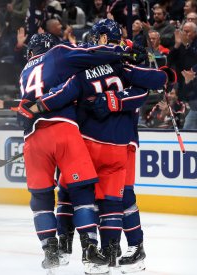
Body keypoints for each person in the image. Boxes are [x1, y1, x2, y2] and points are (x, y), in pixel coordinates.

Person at [25, 19, 174, 273]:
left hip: (96, 141)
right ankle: (110, 251)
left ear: (102, 39)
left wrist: (37, 109)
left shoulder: (87, 71)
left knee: (75, 192)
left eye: (96, 38)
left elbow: (62, 94)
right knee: (111, 198)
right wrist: (167, 74)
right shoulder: (123, 65)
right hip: (117, 143)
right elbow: (151, 85)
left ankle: (78, 247)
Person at [16, 32, 130, 273]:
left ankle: (50, 251)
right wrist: (120, 50)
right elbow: (90, 55)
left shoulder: (25, 70)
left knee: (41, 199)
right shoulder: (57, 54)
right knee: (82, 191)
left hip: (33, 139)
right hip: (63, 131)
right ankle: (89, 248)